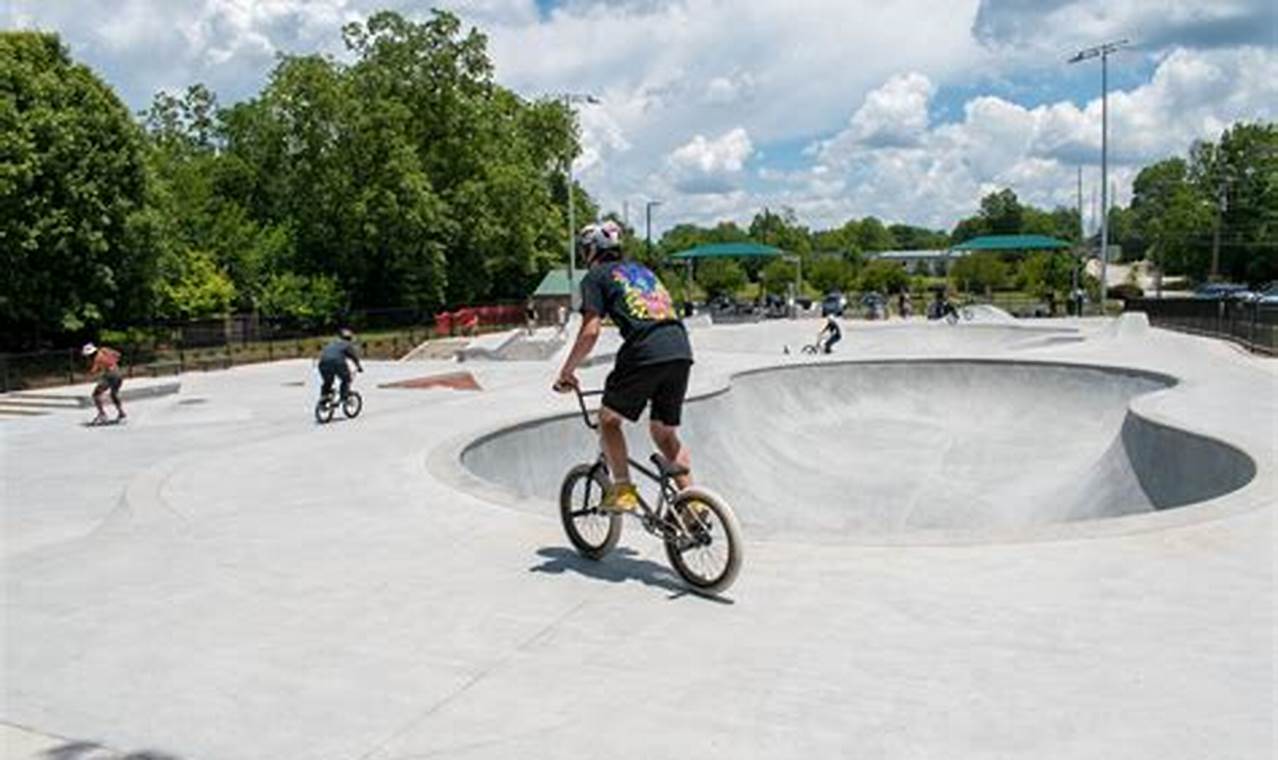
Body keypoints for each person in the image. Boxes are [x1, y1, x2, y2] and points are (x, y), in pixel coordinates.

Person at [554, 220, 696, 514]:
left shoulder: (595, 277)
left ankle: (622, 492)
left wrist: (567, 372)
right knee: (664, 434)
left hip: (644, 350)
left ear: (591, 251)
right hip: (680, 348)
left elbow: (590, 331)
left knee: (608, 420)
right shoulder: (643, 271)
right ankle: (695, 503)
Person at [83, 343, 125, 424]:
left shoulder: (96, 359)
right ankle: (121, 412)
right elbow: (118, 354)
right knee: (114, 394)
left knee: (96, 394)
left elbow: (93, 371)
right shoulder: (104, 350)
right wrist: (113, 362)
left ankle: (102, 414)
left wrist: (88, 374)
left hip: (109, 375)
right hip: (118, 372)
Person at [318, 328, 363, 402]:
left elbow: (325, 353)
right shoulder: (347, 345)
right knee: (346, 379)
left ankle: (324, 397)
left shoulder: (332, 343)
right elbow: (354, 357)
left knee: (328, 381)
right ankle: (344, 396)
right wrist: (359, 367)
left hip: (323, 362)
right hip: (337, 362)